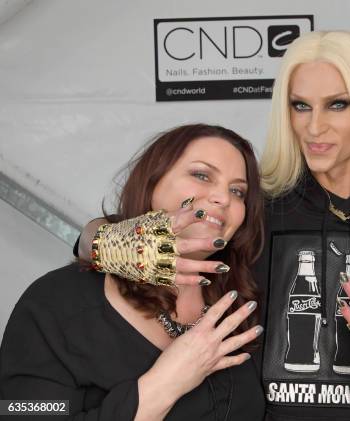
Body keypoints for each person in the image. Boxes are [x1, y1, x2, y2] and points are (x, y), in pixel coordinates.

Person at [72, 31, 350, 421]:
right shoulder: (253, 210)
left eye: (337, 105)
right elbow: (87, 243)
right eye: (300, 106)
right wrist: (104, 240)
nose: (314, 127)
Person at [0, 124, 266, 420]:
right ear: (152, 182)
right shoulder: (55, 303)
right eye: (201, 175)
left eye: (237, 191)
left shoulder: (246, 292)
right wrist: (166, 383)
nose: (223, 198)